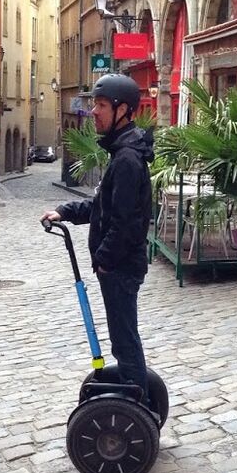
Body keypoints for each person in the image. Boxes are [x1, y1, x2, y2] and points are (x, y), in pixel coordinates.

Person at [42, 74, 153, 402]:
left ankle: (138, 404)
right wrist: (66, 211)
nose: (94, 112)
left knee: (124, 340)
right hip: (118, 265)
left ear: (124, 111)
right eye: (95, 105)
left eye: (102, 105)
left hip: (120, 266)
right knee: (123, 337)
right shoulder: (122, 153)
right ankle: (138, 397)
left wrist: (104, 260)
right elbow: (103, 206)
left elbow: (125, 224)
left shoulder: (128, 160)